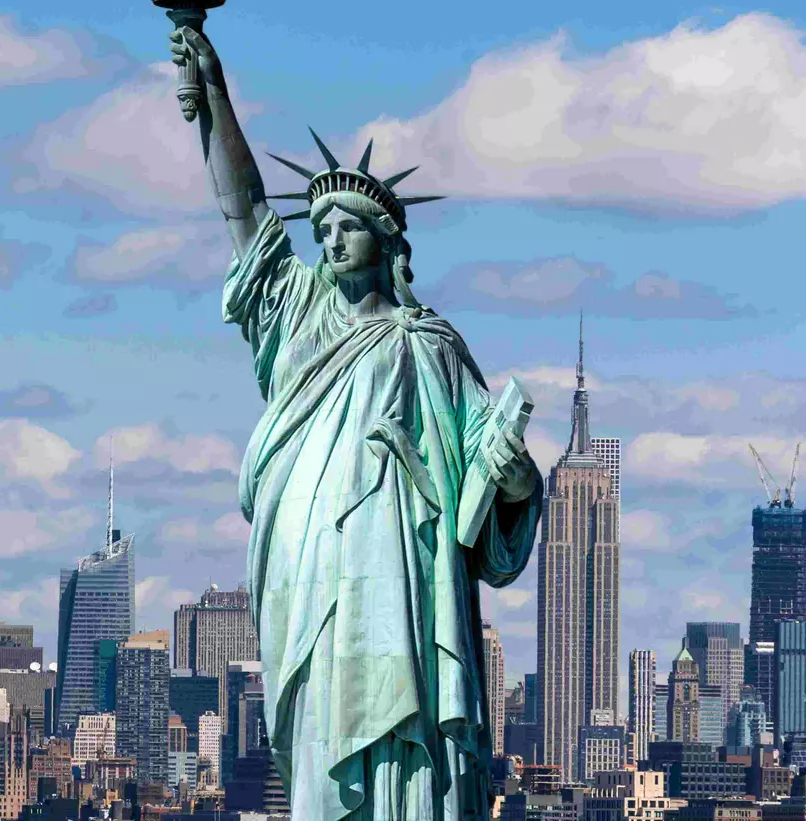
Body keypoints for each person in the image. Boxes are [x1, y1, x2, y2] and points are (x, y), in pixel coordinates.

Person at [169, 23, 545, 821]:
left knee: (400, 744)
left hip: (401, 581)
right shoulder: (296, 312)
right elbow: (243, 218)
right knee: (314, 748)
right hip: (306, 579)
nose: (330, 238)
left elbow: (493, 462)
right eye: (322, 228)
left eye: (347, 226)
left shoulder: (429, 344)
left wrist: (514, 475)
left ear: (386, 243)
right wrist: (215, 96)